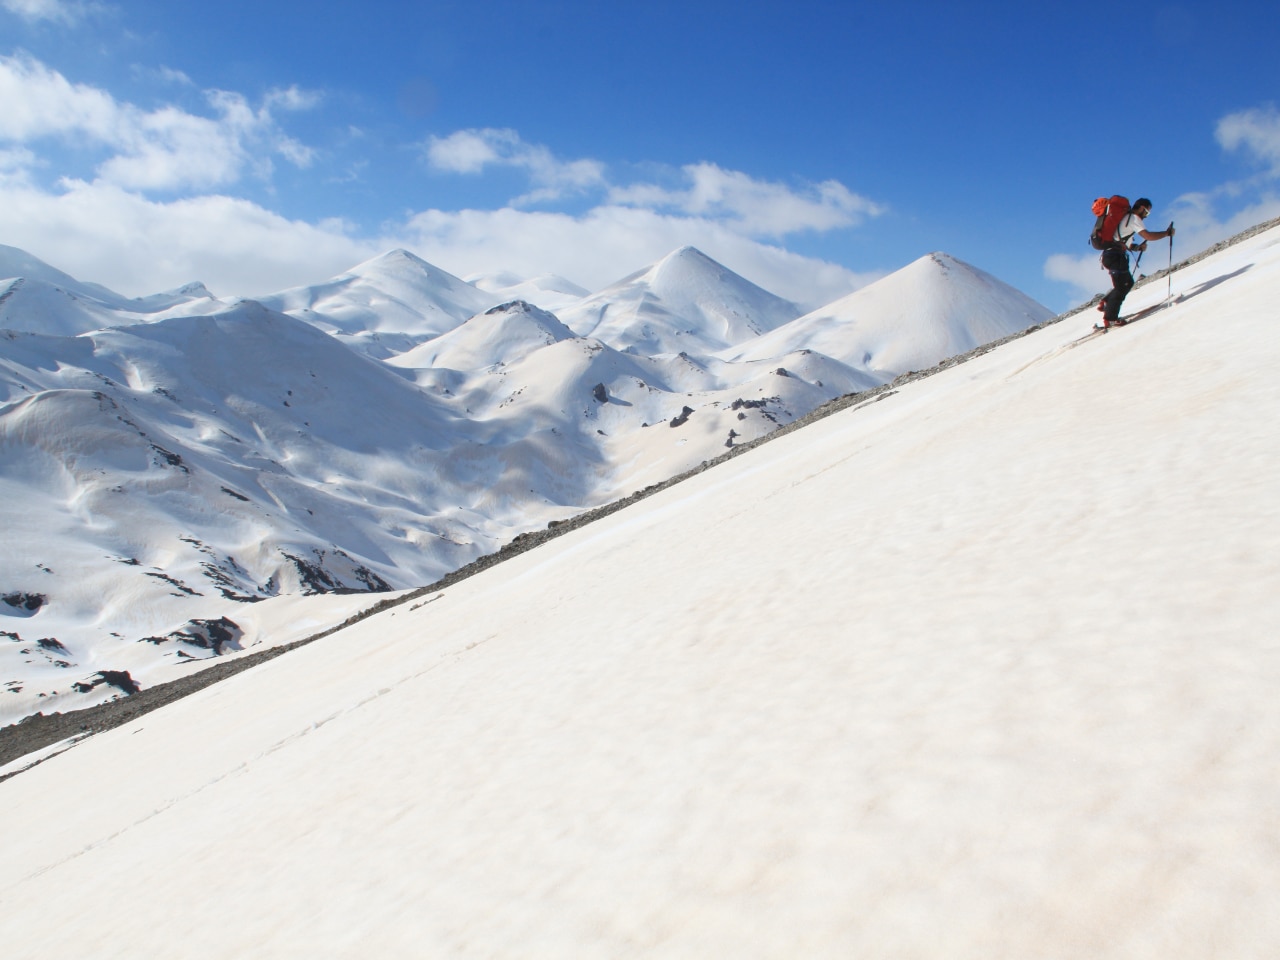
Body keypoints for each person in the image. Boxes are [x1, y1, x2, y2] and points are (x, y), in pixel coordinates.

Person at [1099, 198, 1174, 326]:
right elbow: (1148, 236)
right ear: (1140, 208)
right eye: (1146, 212)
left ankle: (1107, 302)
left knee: (1126, 284)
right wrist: (1166, 233)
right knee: (1123, 286)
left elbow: (1123, 242)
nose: (1146, 215)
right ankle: (1110, 317)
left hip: (1110, 255)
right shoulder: (1134, 218)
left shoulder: (1126, 218)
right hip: (1116, 256)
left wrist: (1137, 247)